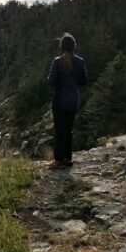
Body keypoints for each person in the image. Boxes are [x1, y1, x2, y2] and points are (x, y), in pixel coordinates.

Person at [46, 33, 88, 168]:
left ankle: (58, 160)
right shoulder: (80, 62)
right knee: (69, 130)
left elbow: (51, 81)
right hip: (73, 100)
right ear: (74, 47)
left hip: (59, 99)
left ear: (61, 47)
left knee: (59, 131)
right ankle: (68, 159)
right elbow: (84, 80)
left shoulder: (56, 61)